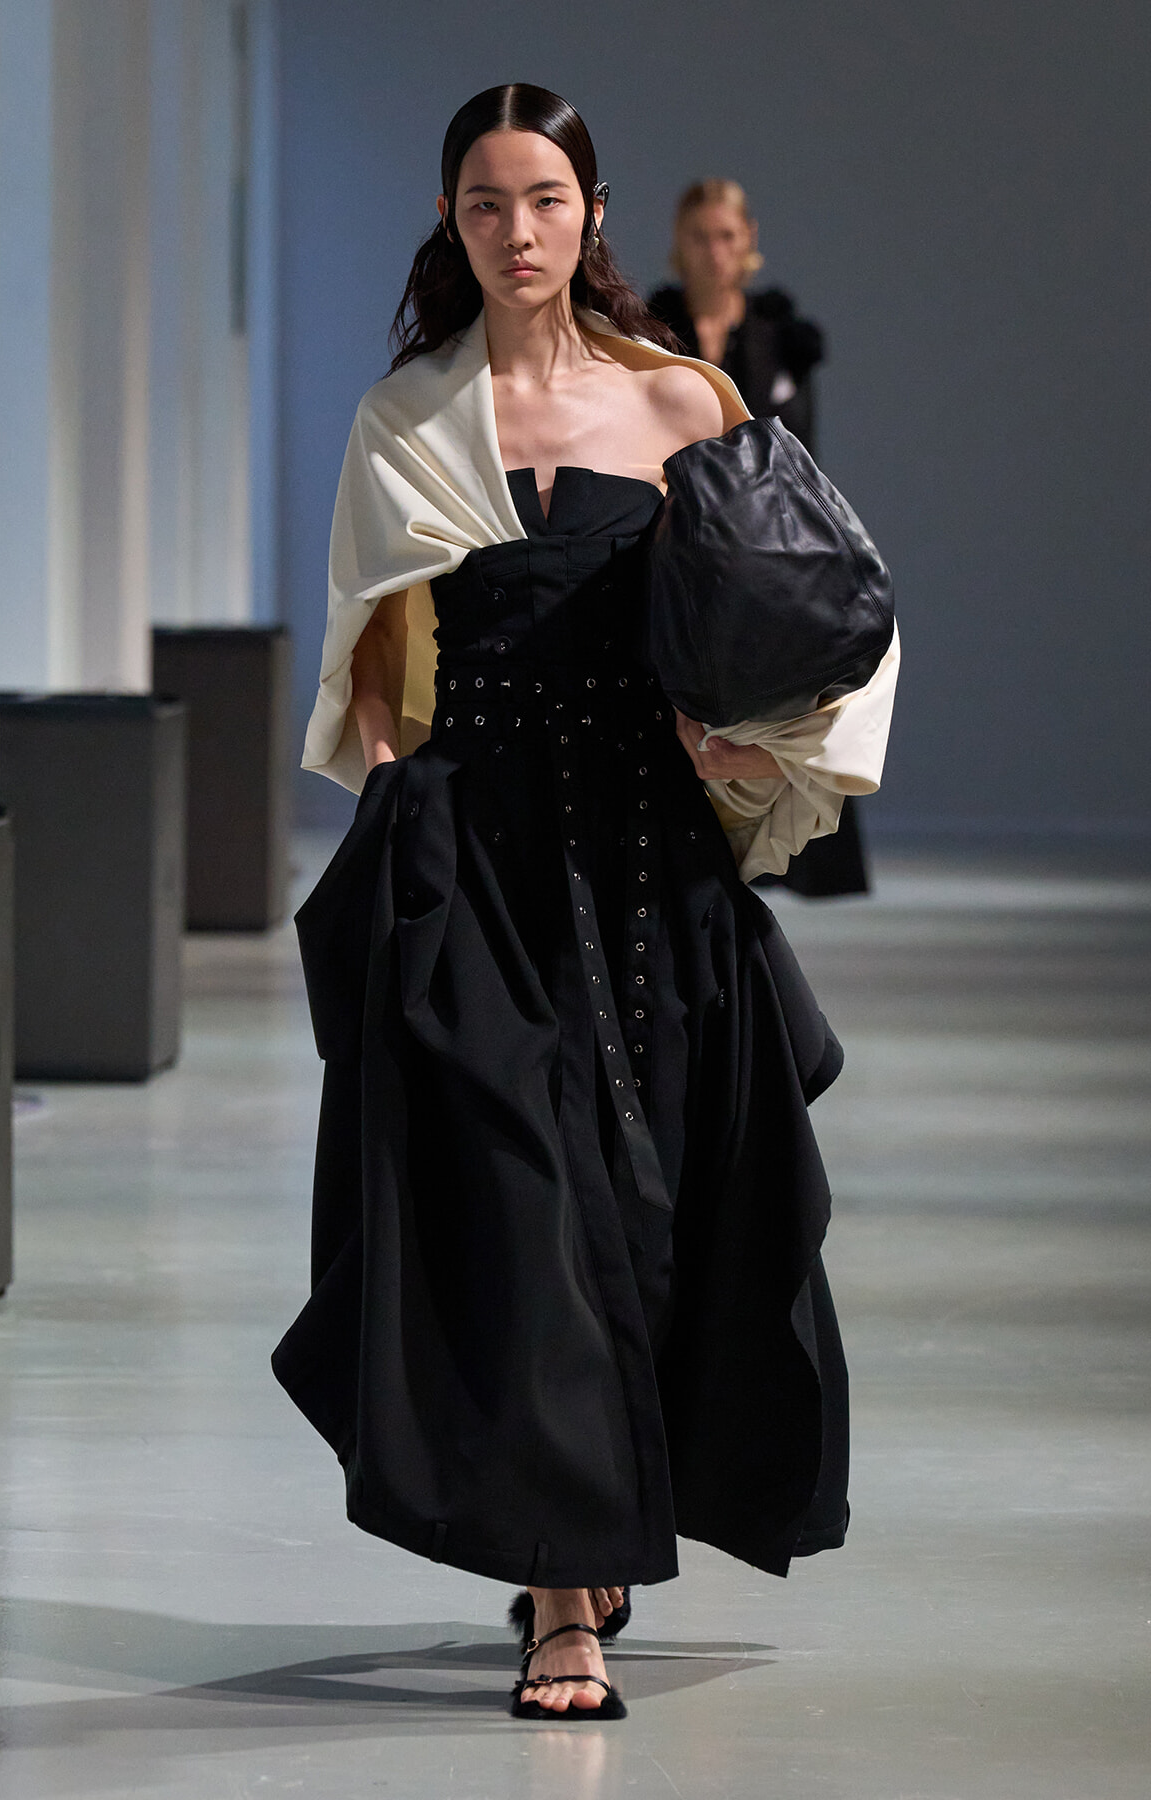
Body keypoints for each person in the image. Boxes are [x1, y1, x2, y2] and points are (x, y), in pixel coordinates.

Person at [272, 85, 899, 1721]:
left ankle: (605, 1496)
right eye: (486, 202)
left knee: (654, 1200)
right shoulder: (406, 419)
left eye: (545, 197)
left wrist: (734, 736)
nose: (519, 229)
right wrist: (412, 827)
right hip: (476, 849)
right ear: (453, 220)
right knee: (517, 1198)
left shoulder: (680, 405)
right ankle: (564, 1599)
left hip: (644, 858)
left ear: (592, 212)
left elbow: (821, 610)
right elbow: (374, 662)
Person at [649, 179, 871, 898]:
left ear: (747, 244)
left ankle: (782, 849)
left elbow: (804, 455)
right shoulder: (650, 335)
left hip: (771, 554)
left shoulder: (784, 342)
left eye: (726, 236)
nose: (714, 252)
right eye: (699, 237)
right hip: (675, 548)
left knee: (799, 693)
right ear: (679, 246)